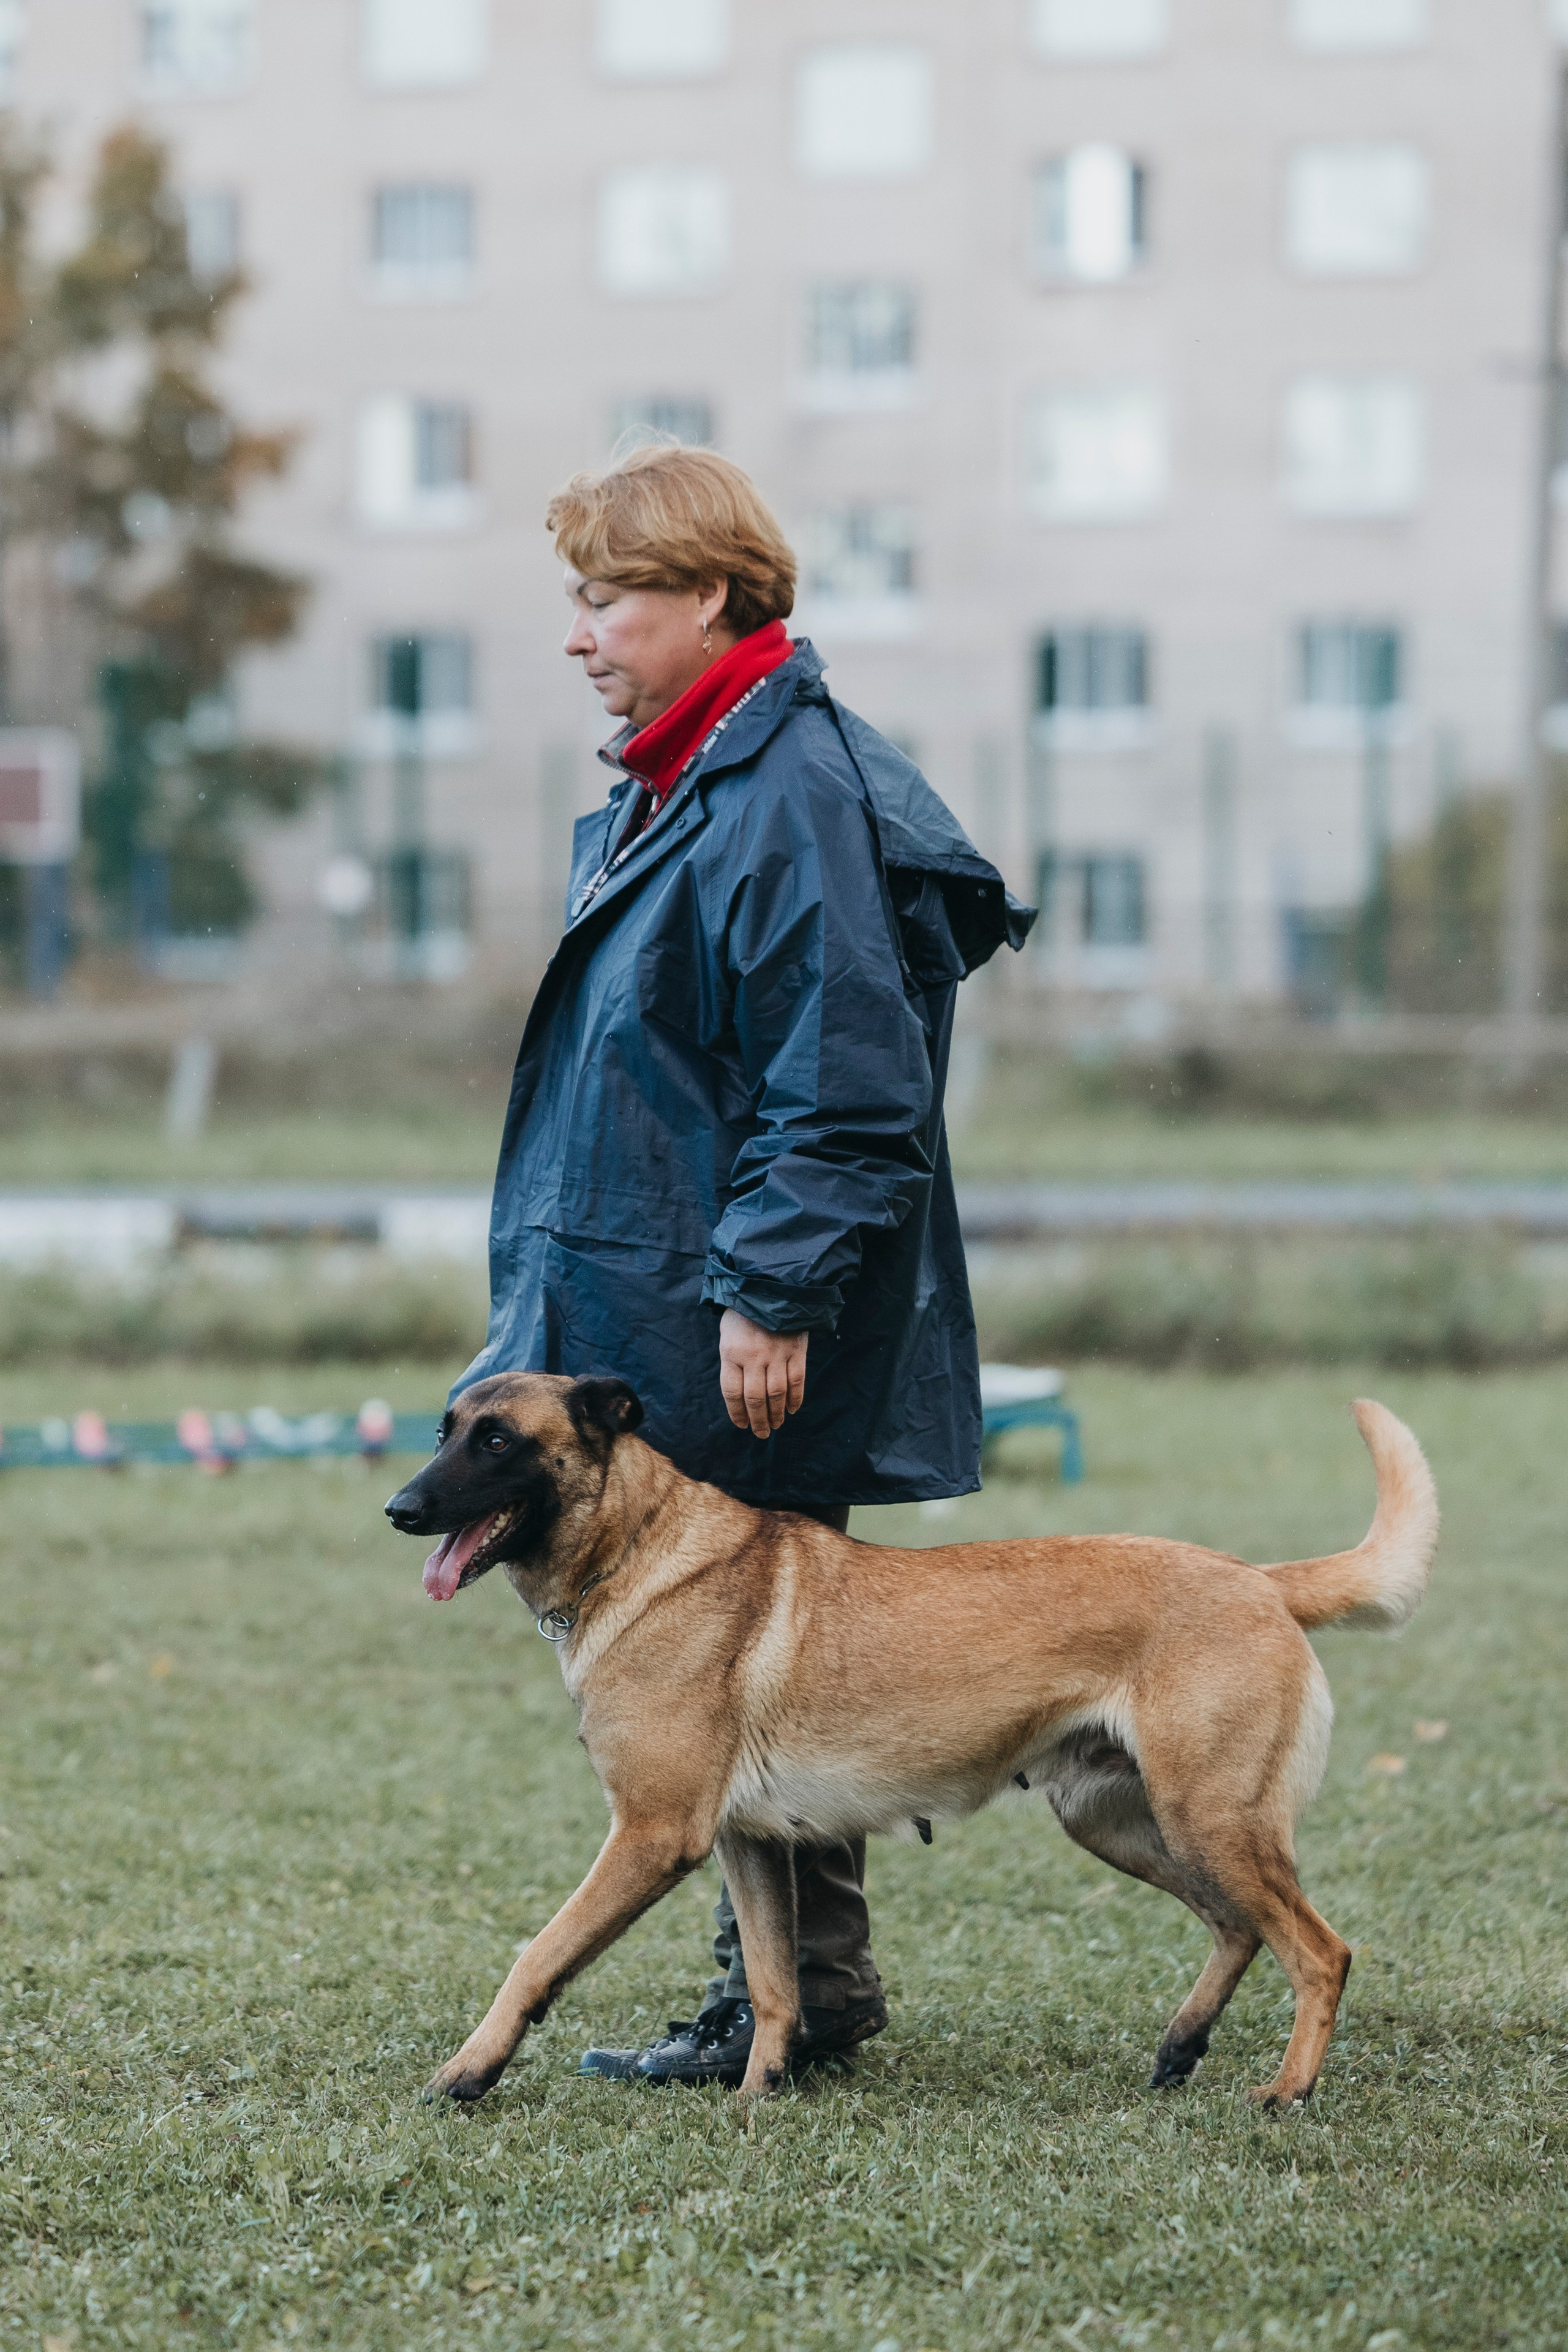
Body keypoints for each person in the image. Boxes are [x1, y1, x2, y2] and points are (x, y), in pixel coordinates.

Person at [451, 440, 1034, 2085]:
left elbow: (845, 1079)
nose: (581, 633)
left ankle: (793, 2003)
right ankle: (795, 1995)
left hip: (721, 1318)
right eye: (576, 598)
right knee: (729, 1674)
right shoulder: (689, 771)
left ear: (712, 597)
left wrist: (773, 1289)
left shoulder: (781, 795)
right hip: (646, 1294)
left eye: (610, 596)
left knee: (745, 1671)